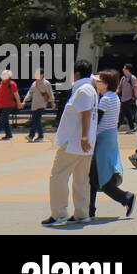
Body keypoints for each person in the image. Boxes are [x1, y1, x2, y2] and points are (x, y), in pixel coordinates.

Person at [43, 59, 97, 226]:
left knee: (58, 176)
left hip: (75, 142)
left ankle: (59, 213)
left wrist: (84, 137)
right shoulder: (90, 89)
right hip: (84, 143)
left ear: (77, 74)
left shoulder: (83, 90)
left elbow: (85, 113)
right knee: (81, 179)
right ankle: (82, 213)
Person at [89, 70, 136, 219]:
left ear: (106, 84)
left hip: (102, 141)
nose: (96, 83)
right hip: (109, 139)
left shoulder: (105, 100)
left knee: (98, 178)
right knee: (94, 178)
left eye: (98, 81)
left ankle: (126, 197)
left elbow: (96, 121)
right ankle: (90, 210)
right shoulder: (114, 97)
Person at [0, 69, 21, 141]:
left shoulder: (12, 84)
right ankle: (9, 134)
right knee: (5, 120)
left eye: (5, 75)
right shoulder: (0, 83)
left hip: (8, 105)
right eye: (2, 75)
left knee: (2, 120)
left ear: (9, 77)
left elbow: (16, 94)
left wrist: (19, 103)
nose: (3, 76)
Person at [25, 69, 56, 142]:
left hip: (42, 104)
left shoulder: (46, 83)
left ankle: (31, 135)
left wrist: (52, 103)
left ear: (42, 74)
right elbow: (30, 92)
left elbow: (50, 93)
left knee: (35, 120)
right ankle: (40, 136)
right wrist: (26, 98)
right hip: (35, 104)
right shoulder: (34, 83)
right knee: (37, 120)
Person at [117, 64, 137, 132]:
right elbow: (119, 88)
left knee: (122, 113)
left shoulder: (133, 78)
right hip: (123, 99)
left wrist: (136, 98)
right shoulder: (123, 78)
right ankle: (132, 127)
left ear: (128, 70)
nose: (123, 69)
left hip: (129, 99)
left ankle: (116, 127)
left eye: (124, 68)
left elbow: (135, 88)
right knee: (128, 114)